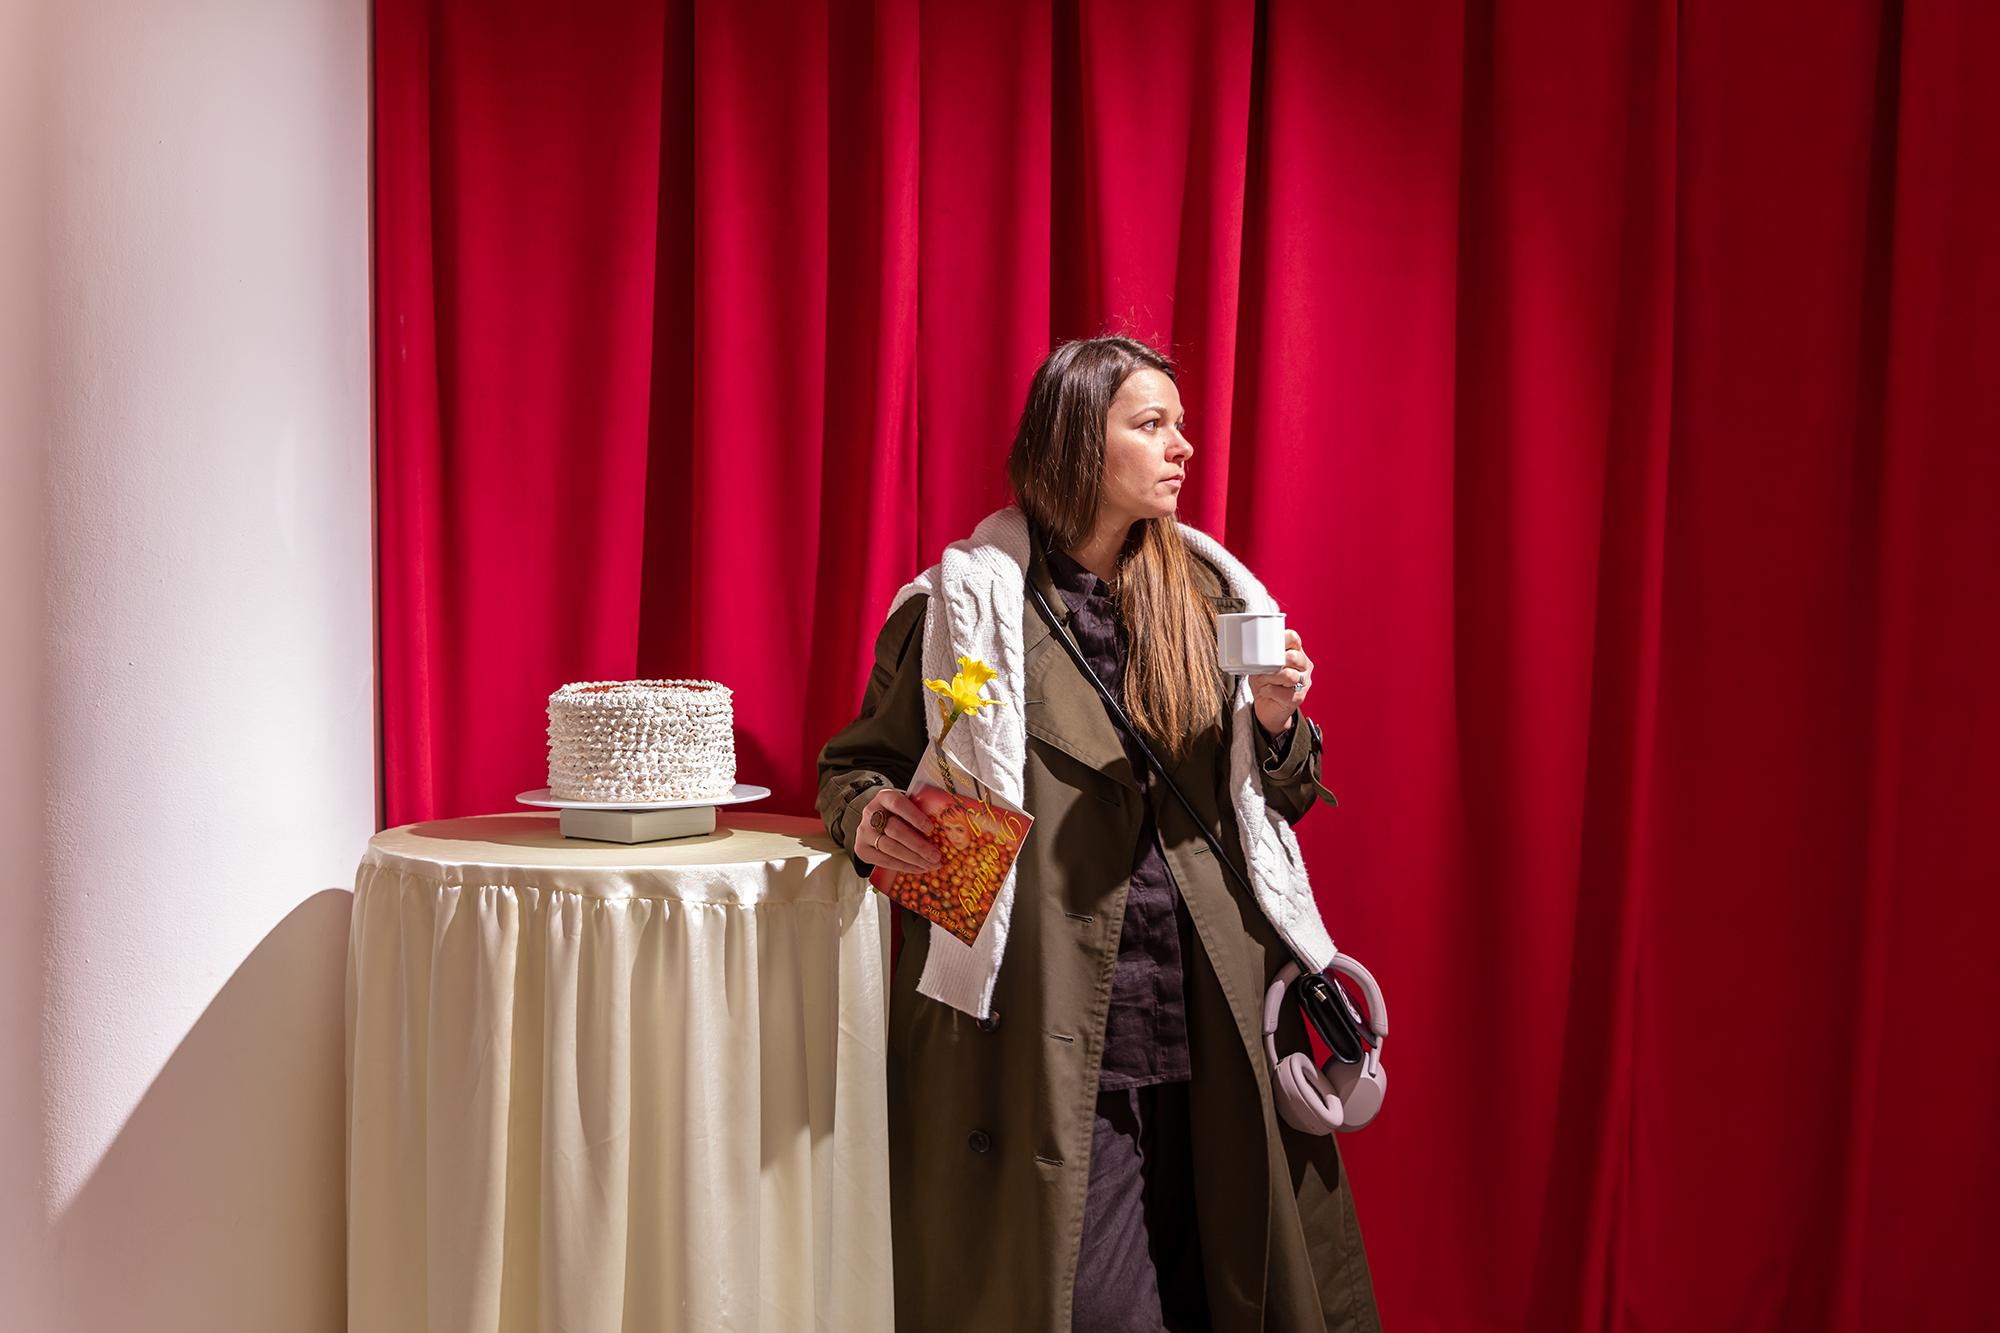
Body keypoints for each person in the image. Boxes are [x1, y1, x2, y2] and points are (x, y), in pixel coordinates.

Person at [817, 335, 1382, 1332]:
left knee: (1223, 1295)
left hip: (1209, 1011)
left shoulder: (1211, 600)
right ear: (1079, 439)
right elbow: (855, 766)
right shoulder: (960, 607)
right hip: (1048, 1024)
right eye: (1151, 423)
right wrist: (869, 816)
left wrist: (1277, 720)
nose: (1182, 447)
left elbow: (1278, 800)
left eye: (1178, 424)